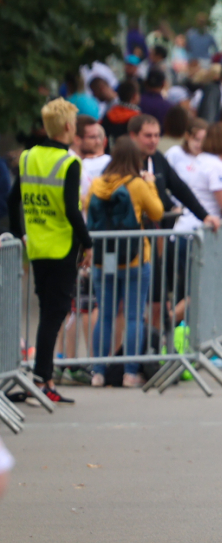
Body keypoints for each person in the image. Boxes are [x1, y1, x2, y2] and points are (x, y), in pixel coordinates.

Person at [7, 99, 94, 404]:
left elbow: (11, 199)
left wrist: (21, 235)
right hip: (61, 248)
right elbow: (72, 209)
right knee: (53, 315)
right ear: (69, 127)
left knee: (49, 312)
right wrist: (88, 242)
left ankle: (43, 379)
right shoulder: (69, 163)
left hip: (37, 247)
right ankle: (41, 380)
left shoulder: (28, 157)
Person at [85, 136, 164, 387]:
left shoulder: (98, 184)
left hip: (103, 258)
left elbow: (87, 206)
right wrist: (150, 185)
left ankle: (97, 371)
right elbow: (157, 212)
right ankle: (130, 373)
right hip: (134, 258)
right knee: (133, 316)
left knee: (105, 314)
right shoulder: (137, 185)